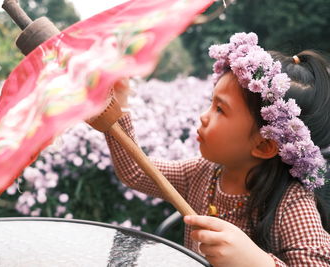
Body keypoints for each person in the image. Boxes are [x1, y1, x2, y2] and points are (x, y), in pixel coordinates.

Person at [103, 32, 330, 266]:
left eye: (220, 109)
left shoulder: (291, 203)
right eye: (211, 103)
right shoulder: (203, 172)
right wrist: (118, 106)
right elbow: (136, 172)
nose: (203, 117)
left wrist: (258, 262)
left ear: (264, 145)